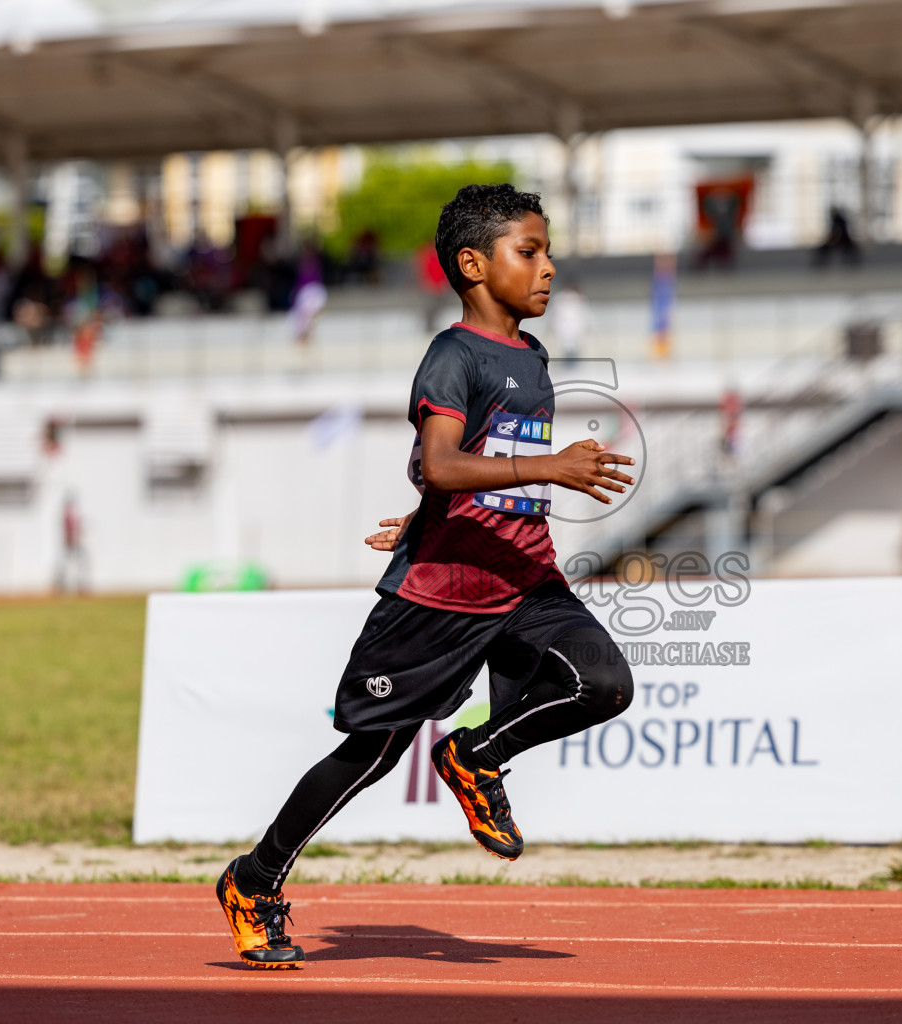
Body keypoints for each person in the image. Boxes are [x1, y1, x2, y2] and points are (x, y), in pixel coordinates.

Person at [216, 184, 637, 970]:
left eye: (548, 250)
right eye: (530, 251)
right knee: (370, 756)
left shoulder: (534, 356)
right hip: (437, 598)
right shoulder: (452, 354)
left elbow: (453, 472)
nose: (548, 268)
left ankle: (473, 757)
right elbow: (441, 462)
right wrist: (547, 468)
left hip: (522, 576)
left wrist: (424, 510)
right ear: (474, 265)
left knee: (605, 682)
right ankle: (254, 879)